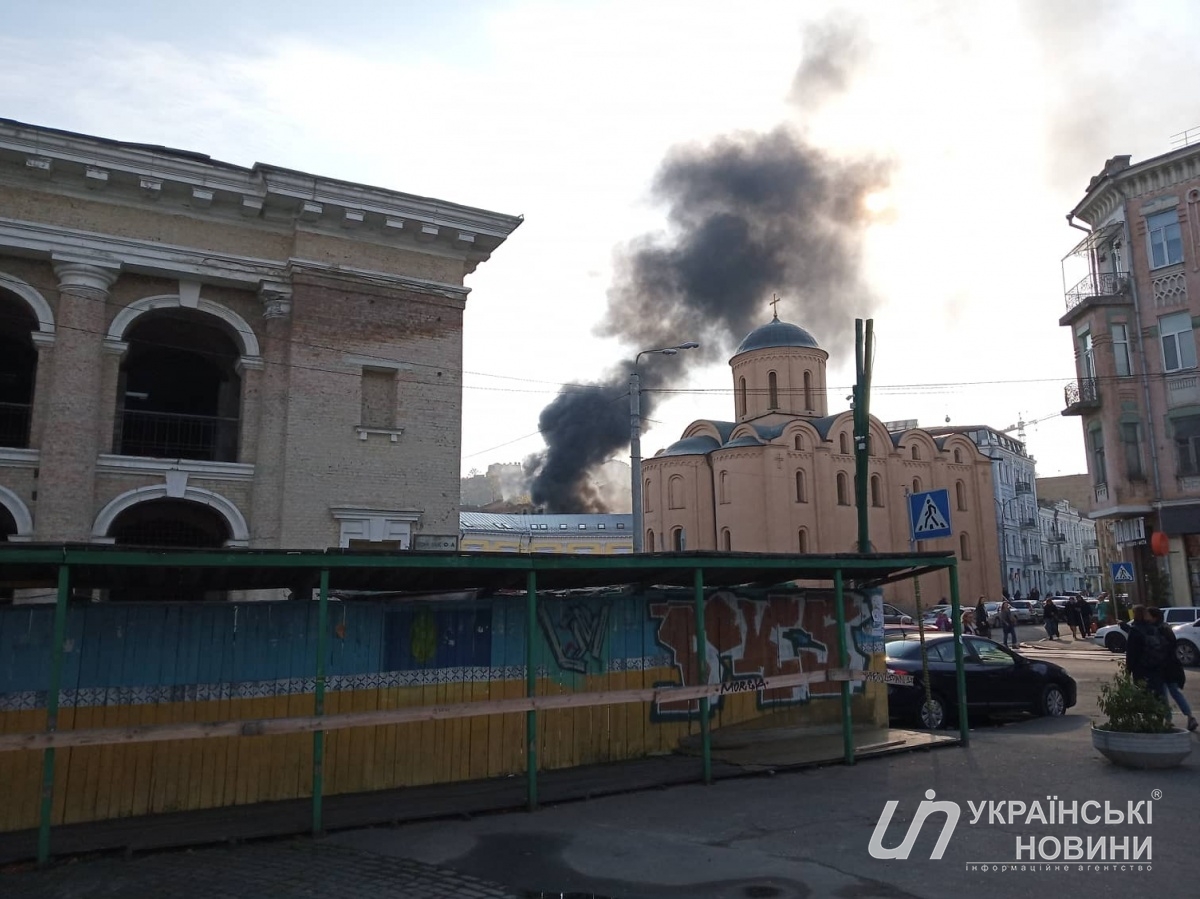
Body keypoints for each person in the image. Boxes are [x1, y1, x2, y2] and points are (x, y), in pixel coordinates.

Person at [1148, 607, 1198, 731]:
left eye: (1148, 615)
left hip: (1163, 666)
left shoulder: (1157, 630)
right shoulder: (1166, 627)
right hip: (1172, 665)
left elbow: (1159, 647)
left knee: (1163, 694)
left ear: (1154, 617)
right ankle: (1190, 717)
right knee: (1174, 692)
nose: (1146, 618)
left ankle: (1168, 721)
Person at [1125, 605, 1169, 698]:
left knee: (1143, 694)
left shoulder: (1135, 630)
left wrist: (1128, 670)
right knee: (1158, 695)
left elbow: (1131, 652)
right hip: (1156, 666)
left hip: (1141, 667)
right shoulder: (1153, 627)